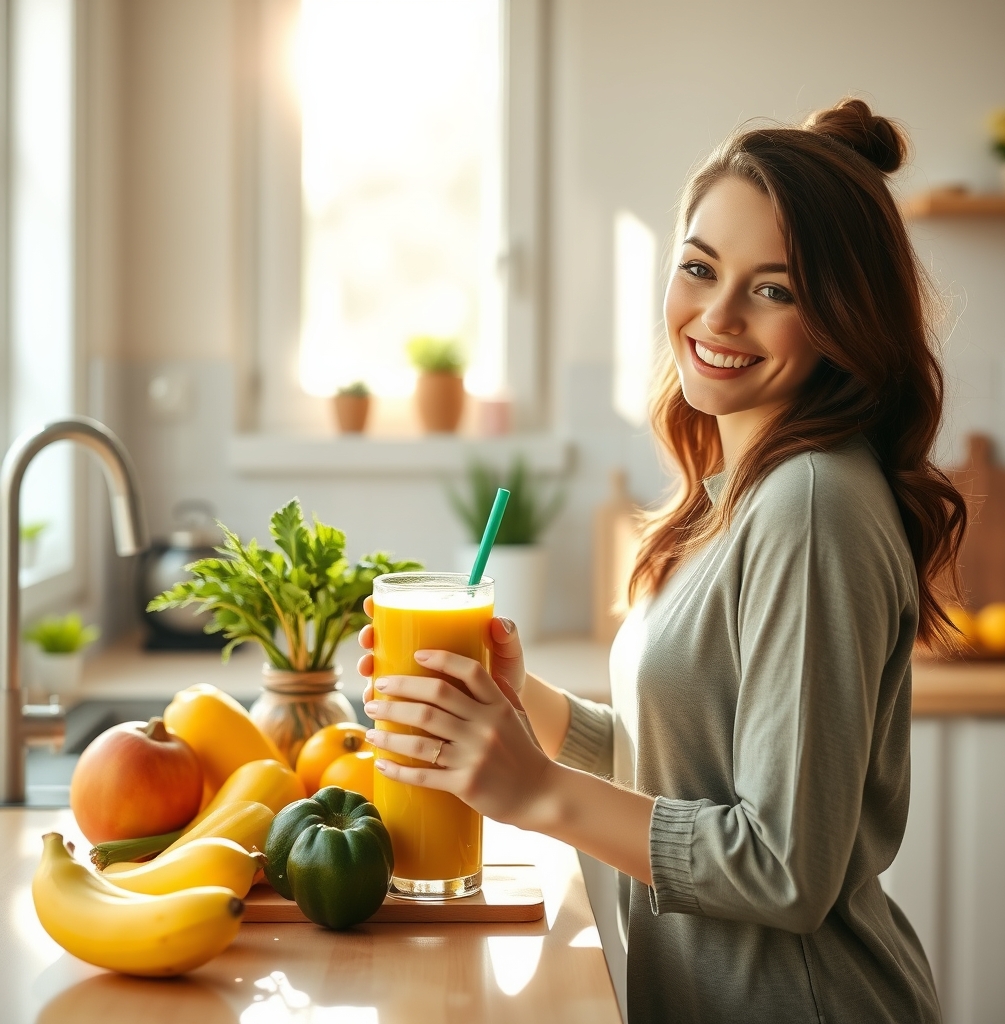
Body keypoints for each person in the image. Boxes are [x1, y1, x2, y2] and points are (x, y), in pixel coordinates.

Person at [357, 98, 966, 1023]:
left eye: (775, 289)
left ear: (841, 317)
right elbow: (690, 771)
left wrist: (537, 792)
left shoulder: (812, 504)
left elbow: (783, 869)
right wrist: (539, 715)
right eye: (699, 268)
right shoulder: (748, 491)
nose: (716, 315)